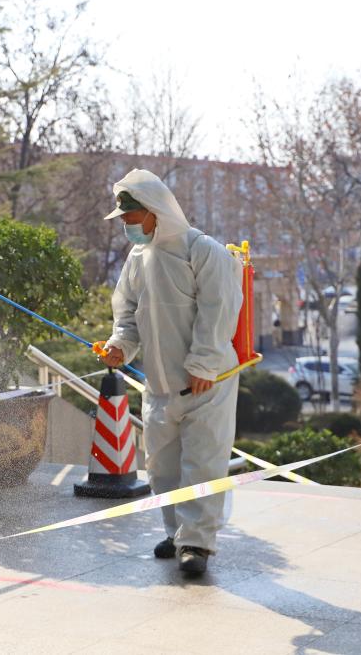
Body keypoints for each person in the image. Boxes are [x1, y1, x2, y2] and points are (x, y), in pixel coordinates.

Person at [100, 168, 242, 575]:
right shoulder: (137, 259)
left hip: (206, 383)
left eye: (131, 217)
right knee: (162, 466)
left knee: (202, 463)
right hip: (160, 384)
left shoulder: (203, 251)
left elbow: (219, 312)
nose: (126, 225)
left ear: (154, 212)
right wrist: (119, 346)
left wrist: (203, 363)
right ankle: (176, 531)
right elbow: (127, 313)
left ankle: (196, 543)